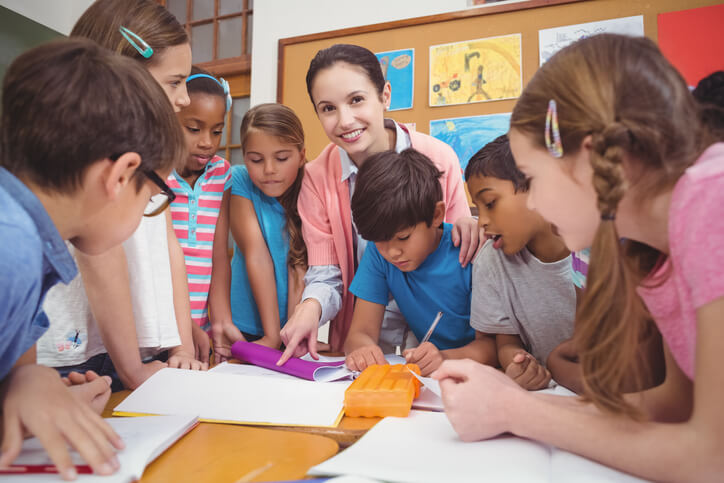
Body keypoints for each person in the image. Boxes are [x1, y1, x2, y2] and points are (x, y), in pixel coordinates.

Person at [433, 34, 724, 480]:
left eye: (533, 177)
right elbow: (671, 405)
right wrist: (516, 404)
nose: (533, 204)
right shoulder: (655, 253)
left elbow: (711, 457)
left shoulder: (711, 200)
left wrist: (516, 412)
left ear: (588, 158)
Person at [0, 38, 185, 479]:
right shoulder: (13, 251)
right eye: (150, 198)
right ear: (120, 175)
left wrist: (32, 388)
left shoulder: (26, 239)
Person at [37, 0, 206, 391]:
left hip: (139, 352)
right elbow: (101, 253)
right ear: (125, 73)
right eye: (175, 81)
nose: (183, 99)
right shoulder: (89, 154)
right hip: (80, 354)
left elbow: (168, 247)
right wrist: (132, 370)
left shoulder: (150, 151)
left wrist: (181, 345)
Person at [278, 44, 480, 365]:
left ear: (385, 95)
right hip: (365, 336)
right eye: (328, 108)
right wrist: (309, 307)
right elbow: (326, 275)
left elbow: (453, 251)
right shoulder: (317, 177)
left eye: (356, 100)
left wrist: (472, 225)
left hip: (443, 344)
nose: (345, 121)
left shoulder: (439, 158)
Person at [344, 149, 497, 376]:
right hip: (430, 380)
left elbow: (494, 348)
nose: (392, 253)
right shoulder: (378, 252)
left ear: (436, 215)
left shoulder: (468, 251)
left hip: (481, 378)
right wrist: (362, 350)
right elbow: (360, 333)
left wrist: (444, 358)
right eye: (379, 241)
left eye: (403, 237)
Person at [465, 134, 574, 390]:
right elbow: (505, 342)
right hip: (547, 396)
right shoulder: (490, 261)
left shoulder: (588, 248)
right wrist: (517, 362)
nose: (481, 221)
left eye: (490, 203)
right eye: (478, 208)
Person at [211, 103, 309, 357]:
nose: (268, 170)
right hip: (243, 325)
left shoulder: (311, 187)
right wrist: (271, 335)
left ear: (301, 155)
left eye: (281, 158)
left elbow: (299, 264)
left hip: (292, 328)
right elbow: (256, 254)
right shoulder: (240, 179)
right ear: (244, 157)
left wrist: (289, 334)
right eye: (256, 159)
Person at [167, 67, 232, 338]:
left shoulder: (221, 174)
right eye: (194, 129)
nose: (207, 142)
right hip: (159, 328)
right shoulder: (154, 175)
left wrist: (221, 321)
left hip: (201, 331)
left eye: (217, 132)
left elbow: (219, 257)